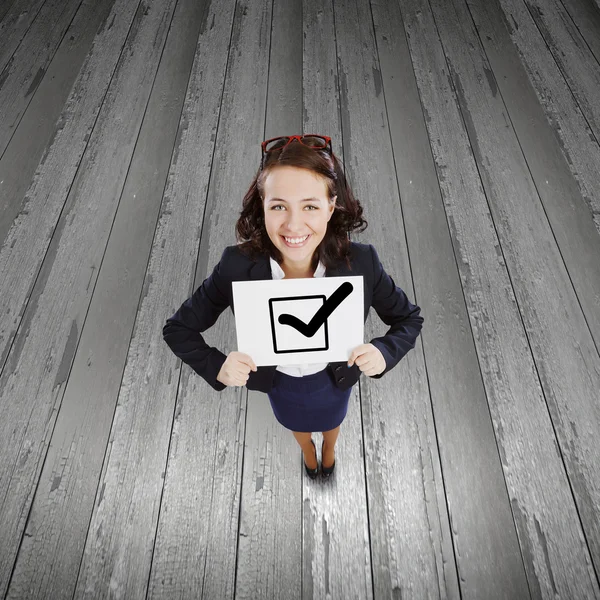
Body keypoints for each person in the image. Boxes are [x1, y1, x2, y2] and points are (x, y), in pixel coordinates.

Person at [162, 134, 424, 480]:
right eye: (279, 206)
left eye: (310, 206)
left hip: (333, 381)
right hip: (280, 385)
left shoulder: (362, 262)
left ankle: (329, 450)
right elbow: (178, 329)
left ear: (331, 206)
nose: (294, 225)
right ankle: (308, 453)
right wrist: (217, 366)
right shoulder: (236, 266)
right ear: (263, 204)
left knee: (332, 425)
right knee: (298, 428)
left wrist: (384, 352)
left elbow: (408, 318)